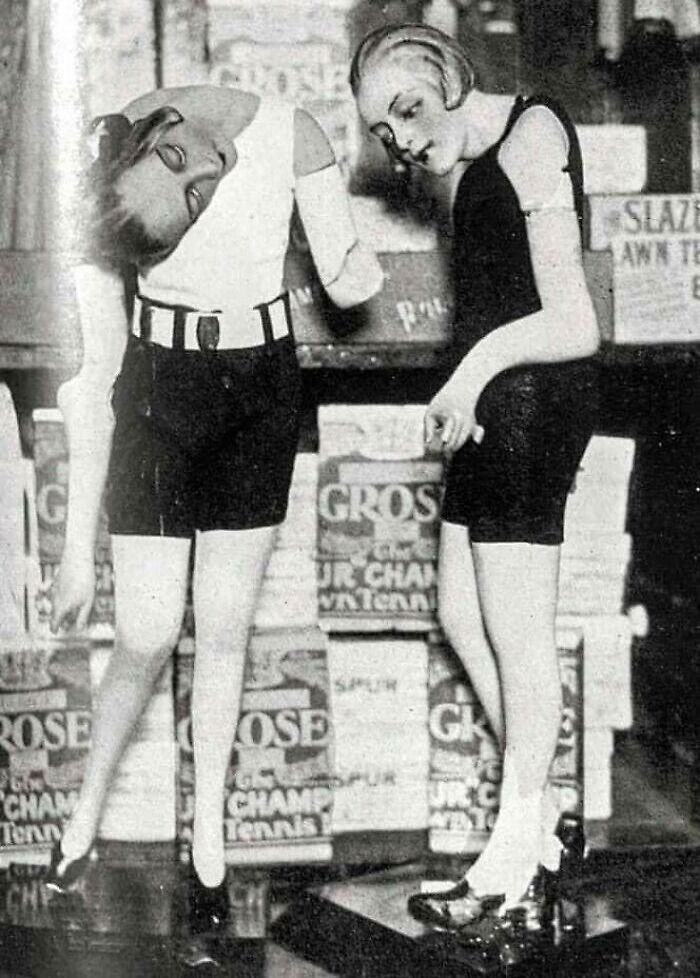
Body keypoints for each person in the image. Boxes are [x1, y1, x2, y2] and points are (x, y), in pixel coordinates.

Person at [47, 84, 383, 933]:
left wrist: (353, 263)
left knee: (225, 626)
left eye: (197, 189)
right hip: (159, 387)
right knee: (149, 634)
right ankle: (84, 811)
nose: (205, 186)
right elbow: (93, 363)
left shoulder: (291, 131)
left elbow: (349, 280)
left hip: (261, 388)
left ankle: (209, 834)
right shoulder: (120, 136)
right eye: (189, 191)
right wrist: (76, 549)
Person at [350, 23, 599, 945]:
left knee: (519, 637)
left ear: (449, 78)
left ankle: (511, 865)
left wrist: (465, 377)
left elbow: (573, 321)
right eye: (384, 130)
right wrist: (468, 382)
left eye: (408, 110)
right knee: (463, 612)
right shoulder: (475, 159)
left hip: (529, 400)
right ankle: (545, 818)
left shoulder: (534, 135)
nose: (403, 140)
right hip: (494, 400)